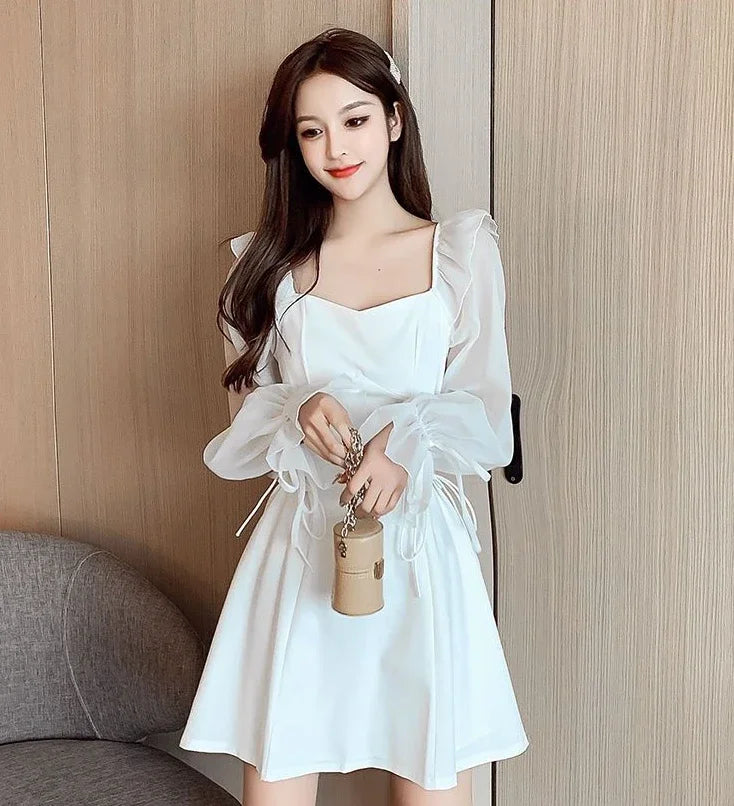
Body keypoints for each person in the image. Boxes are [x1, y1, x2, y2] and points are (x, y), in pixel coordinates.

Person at [179, 26, 529, 806]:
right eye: (312, 131)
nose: (336, 147)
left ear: (395, 119)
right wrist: (298, 405)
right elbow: (242, 430)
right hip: (304, 541)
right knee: (279, 762)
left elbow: (485, 415)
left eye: (356, 119)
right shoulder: (261, 270)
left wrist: (408, 437)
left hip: (420, 548)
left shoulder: (461, 253)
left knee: (430, 765)